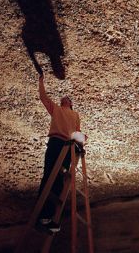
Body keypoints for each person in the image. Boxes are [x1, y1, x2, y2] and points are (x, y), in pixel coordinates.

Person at [35, 73, 84, 232]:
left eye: (68, 98)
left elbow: (77, 132)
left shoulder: (75, 115)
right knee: (49, 175)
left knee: (58, 181)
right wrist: (41, 81)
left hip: (67, 146)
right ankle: (42, 216)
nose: (65, 98)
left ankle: (48, 217)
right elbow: (43, 97)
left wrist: (80, 144)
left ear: (71, 104)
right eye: (64, 97)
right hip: (56, 143)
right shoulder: (56, 109)